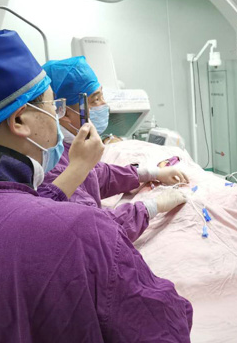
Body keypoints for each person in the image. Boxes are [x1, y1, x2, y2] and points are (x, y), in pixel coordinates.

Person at [0, 30, 192, 343]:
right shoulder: (83, 231)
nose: (57, 116)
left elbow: (43, 203)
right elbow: (162, 326)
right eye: (52, 106)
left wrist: (147, 172)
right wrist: (151, 206)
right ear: (20, 121)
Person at [40, 57, 188, 242]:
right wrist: (153, 206)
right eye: (95, 99)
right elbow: (98, 231)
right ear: (63, 113)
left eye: (102, 96)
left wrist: (152, 173)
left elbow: (99, 176)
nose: (104, 105)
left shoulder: (71, 147)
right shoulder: (54, 166)